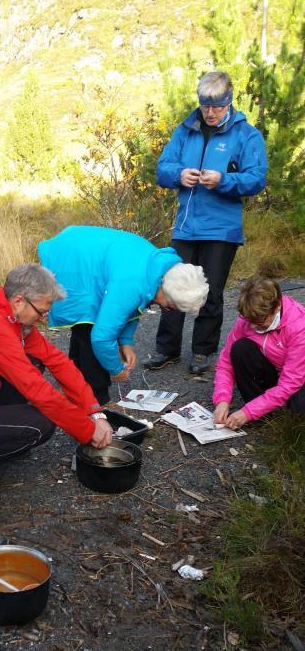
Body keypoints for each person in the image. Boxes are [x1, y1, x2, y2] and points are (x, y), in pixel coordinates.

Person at [143, 70, 268, 375]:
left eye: (217, 107)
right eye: (205, 106)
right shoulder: (184, 130)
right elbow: (163, 168)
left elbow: (256, 179)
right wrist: (178, 175)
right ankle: (166, 349)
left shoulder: (246, 134)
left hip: (221, 230)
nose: (210, 113)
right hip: (186, 226)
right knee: (173, 286)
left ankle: (202, 351)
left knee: (210, 293)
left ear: (229, 102)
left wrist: (224, 180)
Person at [0, 264, 113, 464]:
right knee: (42, 424)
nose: (43, 319)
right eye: (41, 312)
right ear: (19, 301)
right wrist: (88, 431)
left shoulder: (13, 317)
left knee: (34, 361)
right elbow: (36, 389)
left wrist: (94, 411)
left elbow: (58, 362)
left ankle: (1, 432)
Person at [38, 225, 209, 404]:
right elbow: (102, 337)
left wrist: (125, 342)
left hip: (84, 251)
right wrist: (115, 369)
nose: (167, 309)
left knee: (88, 325)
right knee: (88, 325)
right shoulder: (132, 282)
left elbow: (133, 306)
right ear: (166, 291)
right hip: (73, 261)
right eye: (170, 306)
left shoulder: (160, 269)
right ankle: (97, 401)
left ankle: (73, 386)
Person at [213, 277, 305, 429]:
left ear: (276, 307)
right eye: (250, 321)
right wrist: (222, 399)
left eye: (261, 322)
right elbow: (225, 363)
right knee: (240, 349)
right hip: (276, 371)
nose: (254, 327)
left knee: (299, 410)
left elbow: (290, 383)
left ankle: (259, 410)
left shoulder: (299, 327)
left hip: (298, 378)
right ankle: (262, 414)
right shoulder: (248, 319)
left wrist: (247, 412)